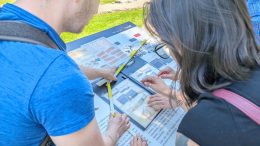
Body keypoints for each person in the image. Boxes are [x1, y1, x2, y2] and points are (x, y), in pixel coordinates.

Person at [0, 0, 145, 145]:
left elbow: (35, 66)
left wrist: (100, 72)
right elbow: (52, 74)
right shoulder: (60, 78)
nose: (95, 11)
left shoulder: (9, 21)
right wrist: (114, 132)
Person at [143, 0, 260, 145]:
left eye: (167, 44)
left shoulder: (194, 133)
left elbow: (215, 119)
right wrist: (181, 79)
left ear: (188, 43)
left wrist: (176, 95)